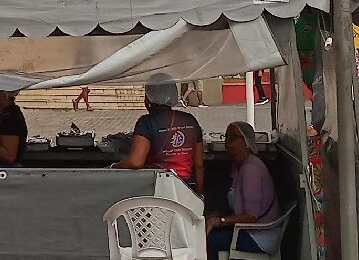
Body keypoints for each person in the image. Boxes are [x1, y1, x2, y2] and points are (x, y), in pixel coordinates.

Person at [113, 78, 205, 195]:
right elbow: (199, 165)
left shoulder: (146, 122)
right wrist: (199, 194)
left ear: (149, 98)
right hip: (187, 187)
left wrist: (115, 166)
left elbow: (136, 162)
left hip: (157, 189)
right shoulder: (190, 120)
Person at [205, 122, 281, 260]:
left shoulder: (251, 169)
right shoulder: (238, 165)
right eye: (226, 137)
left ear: (246, 141)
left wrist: (220, 221)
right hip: (247, 230)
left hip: (260, 237)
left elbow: (251, 216)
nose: (227, 142)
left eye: (233, 137)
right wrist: (217, 216)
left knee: (210, 240)